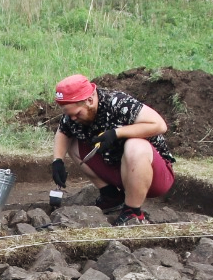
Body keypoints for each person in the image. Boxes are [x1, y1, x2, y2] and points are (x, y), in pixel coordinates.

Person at [48, 73, 175, 226]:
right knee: (73, 144)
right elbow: (63, 131)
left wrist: (116, 133)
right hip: (120, 170)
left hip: (154, 176)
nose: (73, 118)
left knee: (135, 145)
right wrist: (57, 161)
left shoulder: (118, 103)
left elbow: (160, 125)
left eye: (76, 114)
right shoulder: (75, 113)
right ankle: (111, 196)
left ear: (89, 100)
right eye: (69, 114)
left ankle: (133, 212)